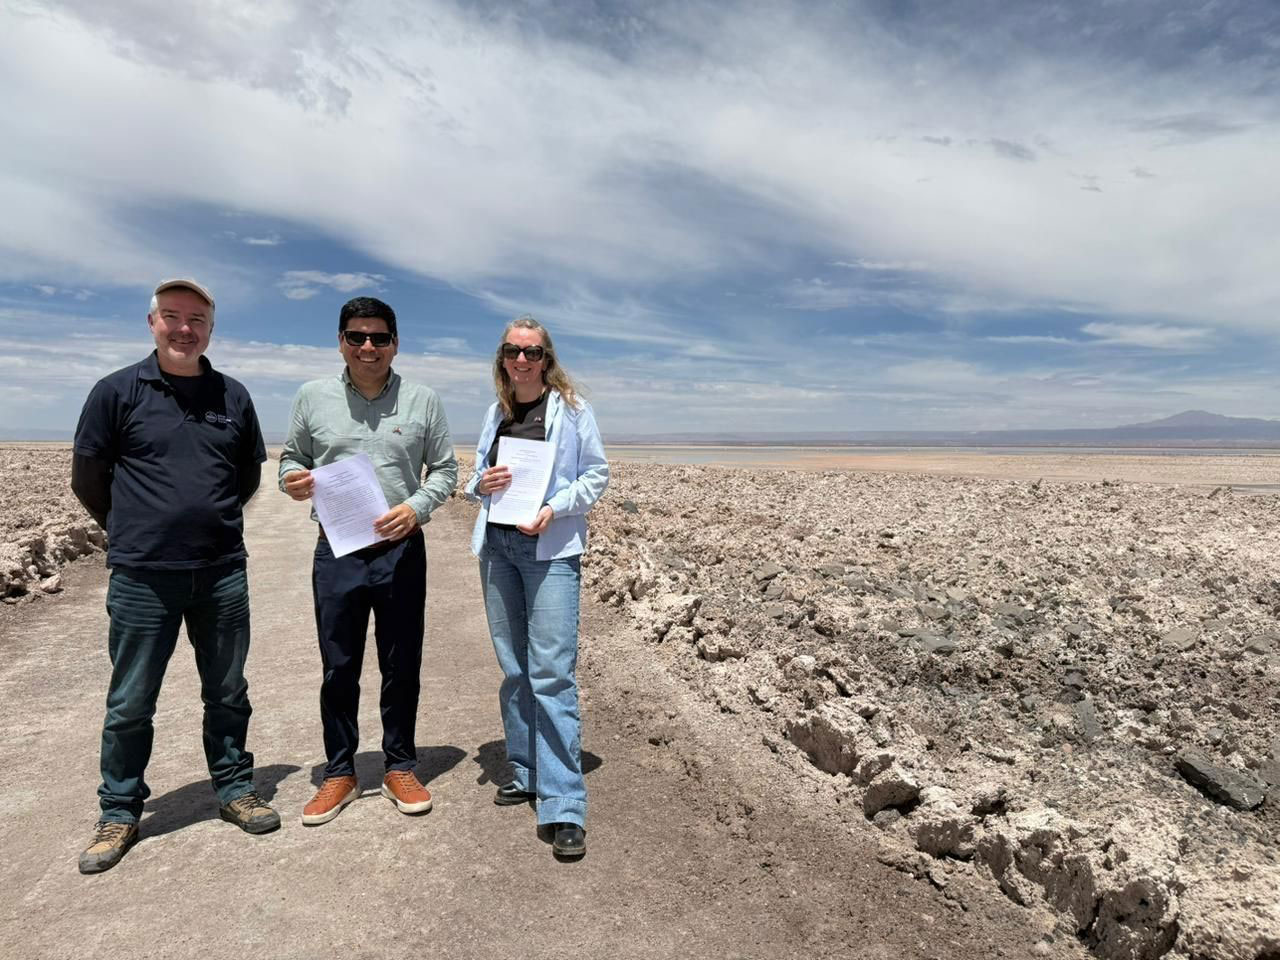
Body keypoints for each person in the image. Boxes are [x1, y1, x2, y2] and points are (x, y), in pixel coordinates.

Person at [70, 278, 277, 874]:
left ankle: (235, 789)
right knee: (131, 701)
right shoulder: (116, 392)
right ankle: (119, 809)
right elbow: (89, 479)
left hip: (220, 573)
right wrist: (136, 529)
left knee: (228, 690)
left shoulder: (231, 395)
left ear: (211, 329)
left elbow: (245, 479)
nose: (184, 329)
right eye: (172, 317)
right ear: (152, 323)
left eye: (197, 320)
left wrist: (205, 522)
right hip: (143, 576)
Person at [279, 296, 457, 826]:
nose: (368, 347)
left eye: (379, 338)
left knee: (402, 663)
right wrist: (292, 480)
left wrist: (416, 508)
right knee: (339, 665)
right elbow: (293, 458)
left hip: (400, 550)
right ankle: (341, 772)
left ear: (395, 344)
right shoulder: (312, 397)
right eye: (357, 336)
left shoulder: (423, 399)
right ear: (340, 341)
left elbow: (445, 471)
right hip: (337, 550)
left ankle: (400, 764)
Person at [465, 315, 608, 858]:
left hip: (549, 550)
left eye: (533, 352)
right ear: (501, 357)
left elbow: (596, 475)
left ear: (548, 359)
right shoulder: (496, 413)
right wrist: (483, 482)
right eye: (512, 351)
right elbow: (476, 477)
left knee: (551, 673)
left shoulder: (572, 411)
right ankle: (525, 768)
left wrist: (555, 508)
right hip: (499, 548)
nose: (522, 360)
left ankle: (564, 802)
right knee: (515, 668)